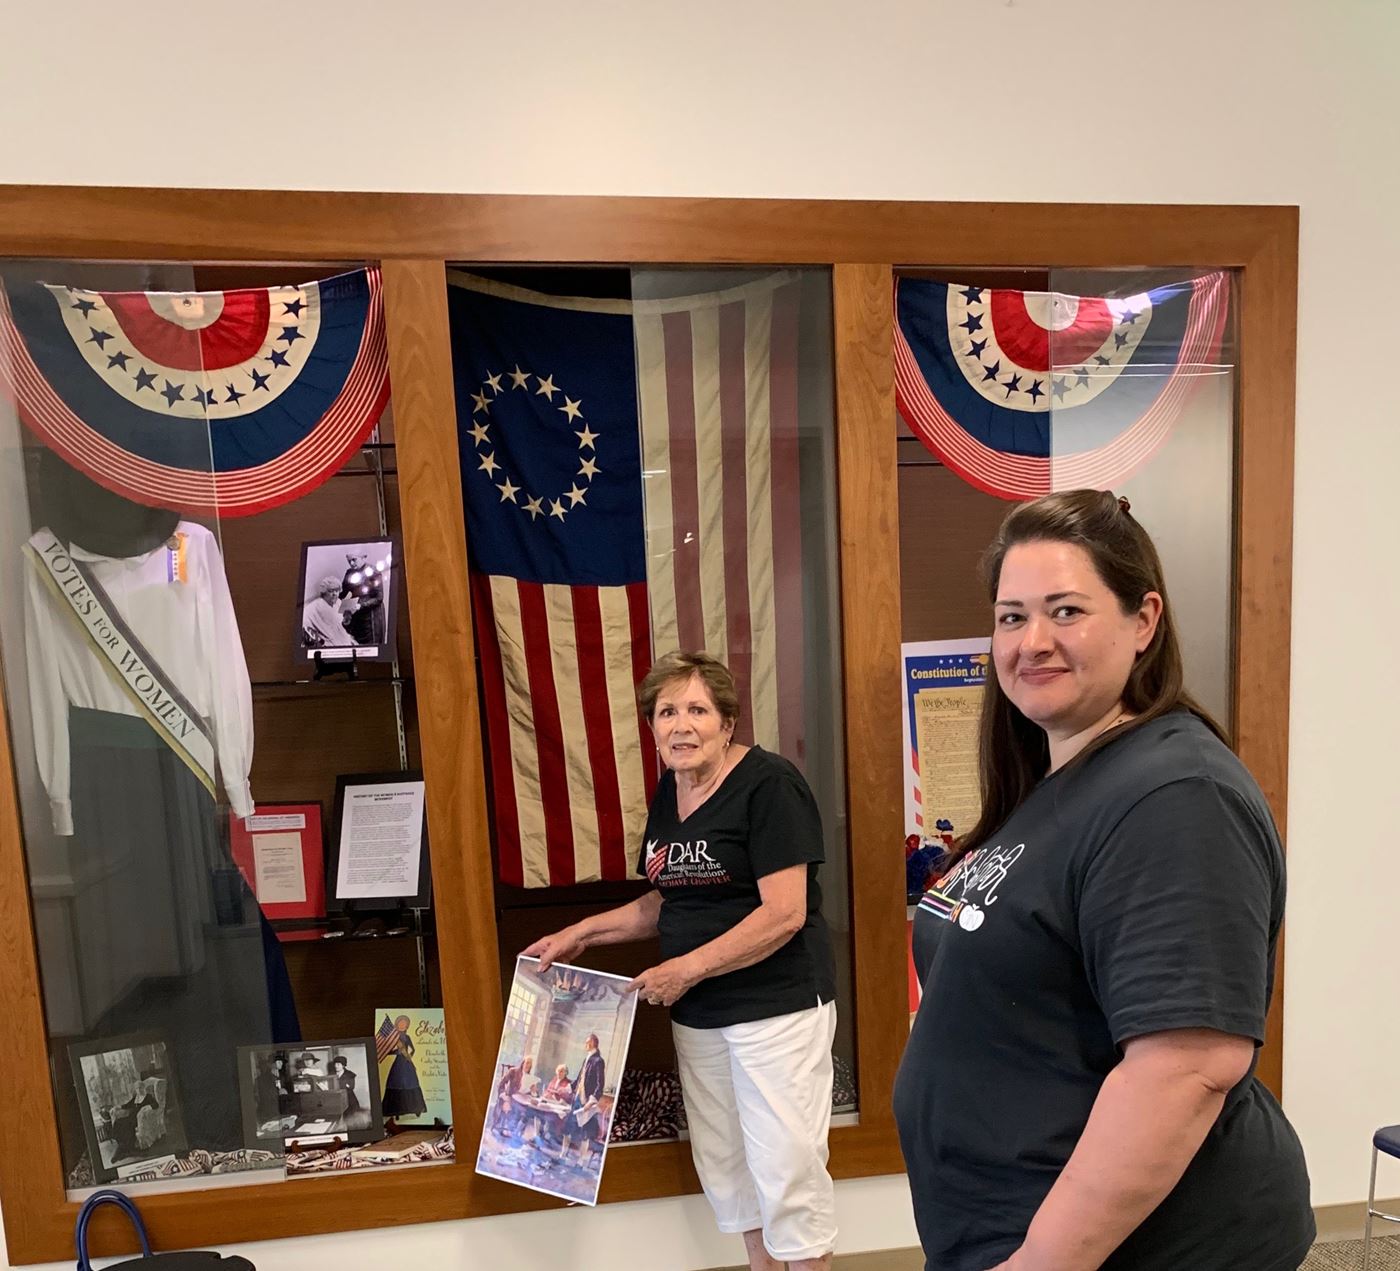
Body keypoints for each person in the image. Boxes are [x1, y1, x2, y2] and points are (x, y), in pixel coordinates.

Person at [893, 489, 1314, 1271]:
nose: (1033, 641)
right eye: (1012, 616)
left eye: (1067, 610)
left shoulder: (1175, 794)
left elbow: (1184, 1067)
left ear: (1143, 619)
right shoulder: (1057, 783)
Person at [526, 650, 838, 1271]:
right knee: (728, 1168)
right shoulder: (672, 789)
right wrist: (582, 933)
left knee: (786, 1169)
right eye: (667, 712)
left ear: (728, 722)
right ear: (652, 727)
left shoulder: (770, 786)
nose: (680, 725)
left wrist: (687, 968)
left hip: (774, 1013)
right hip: (700, 1018)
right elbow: (668, 896)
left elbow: (784, 913)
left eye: (697, 709)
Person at [382, 1020, 428, 1119]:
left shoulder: (407, 1037)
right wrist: (389, 1052)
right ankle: (396, 1111)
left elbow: (413, 1049)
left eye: (404, 1024)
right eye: (400, 1024)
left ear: (407, 1026)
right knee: (395, 1083)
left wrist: (409, 1057)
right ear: (397, 1026)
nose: (402, 1025)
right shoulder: (395, 1038)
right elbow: (395, 1050)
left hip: (406, 1063)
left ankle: (416, 1108)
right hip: (398, 1063)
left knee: (411, 1083)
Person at [340, 551, 386, 647]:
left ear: (363, 557)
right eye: (349, 561)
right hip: (356, 617)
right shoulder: (349, 573)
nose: (352, 563)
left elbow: (379, 598)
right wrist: (332, 598)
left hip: (372, 617)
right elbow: (343, 594)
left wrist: (361, 605)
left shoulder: (373, 571)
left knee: (371, 648)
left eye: (354, 560)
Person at [301, 574, 352, 649]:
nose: (334, 594)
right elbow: (304, 623)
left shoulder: (338, 602)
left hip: (344, 640)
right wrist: (320, 641)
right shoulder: (314, 607)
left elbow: (341, 622)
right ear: (324, 592)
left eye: (337, 590)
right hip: (329, 645)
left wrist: (346, 619)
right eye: (331, 591)